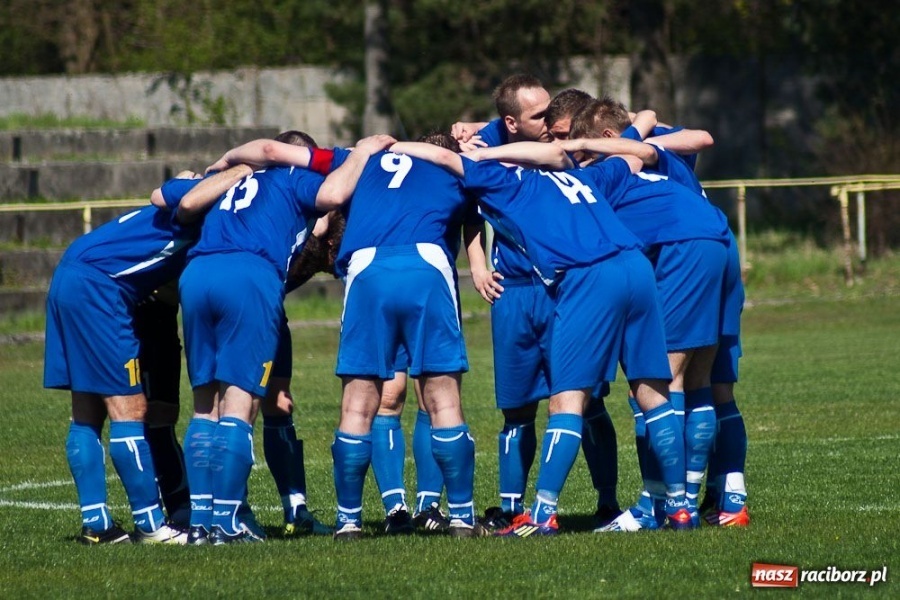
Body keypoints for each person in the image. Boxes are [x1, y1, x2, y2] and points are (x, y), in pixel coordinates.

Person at [390, 139, 690, 536]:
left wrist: (396, 145)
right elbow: (631, 159)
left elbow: (448, 159)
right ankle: (680, 508)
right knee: (653, 394)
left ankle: (542, 514)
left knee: (566, 402)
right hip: (636, 267)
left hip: (589, 275)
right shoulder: (578, 176)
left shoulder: (509, 182)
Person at [177, 132, 395, 545]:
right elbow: (332, 194)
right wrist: (362, 153)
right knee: (239, 408)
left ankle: (200, 522)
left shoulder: (232, 181)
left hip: (198, 274)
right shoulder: (291, 178)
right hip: (249, 276)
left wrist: (219, 164)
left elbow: (184, 202)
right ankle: (228, 522)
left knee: (205, 408)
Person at [44, 166, 249, 545]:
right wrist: (245, 167)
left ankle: (97, 524)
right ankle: (152, 526)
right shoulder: (202, 211)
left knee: (86, 411)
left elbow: (168, 193)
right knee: (131, 410)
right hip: (100, 289)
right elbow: (187, 200)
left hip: (72, 269)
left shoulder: (184, 196)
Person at [454, 78, 623, 530]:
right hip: (513, 291)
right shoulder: (488, 141)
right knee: (517, 407)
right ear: (511, 123)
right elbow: (467, 204)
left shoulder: (563, 143)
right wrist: (475, 263)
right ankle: (512, 508)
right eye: (537, 116)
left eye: (551, 113)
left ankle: (608, 501)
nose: (549, 123)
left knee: (588, 401)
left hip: (569, 286)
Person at [566, 101, 732, 531]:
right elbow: (675, 129)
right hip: (717, 238)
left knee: (660, 383)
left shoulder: (614, 166)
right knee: (698, 382)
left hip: (681, 245)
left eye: (582, 147)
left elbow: (677, 132)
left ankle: (658, 505)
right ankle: (692, 498)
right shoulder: (652, 158)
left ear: (604, 139)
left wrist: (616, 141)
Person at [326, 131, 480, 539]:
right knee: (442, 398)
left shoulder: (366, 158)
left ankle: (348, 522)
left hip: (366, 267)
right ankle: (463, 518)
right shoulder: (453, 167)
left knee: (358, 403)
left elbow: (282, 152)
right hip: (426, 262)